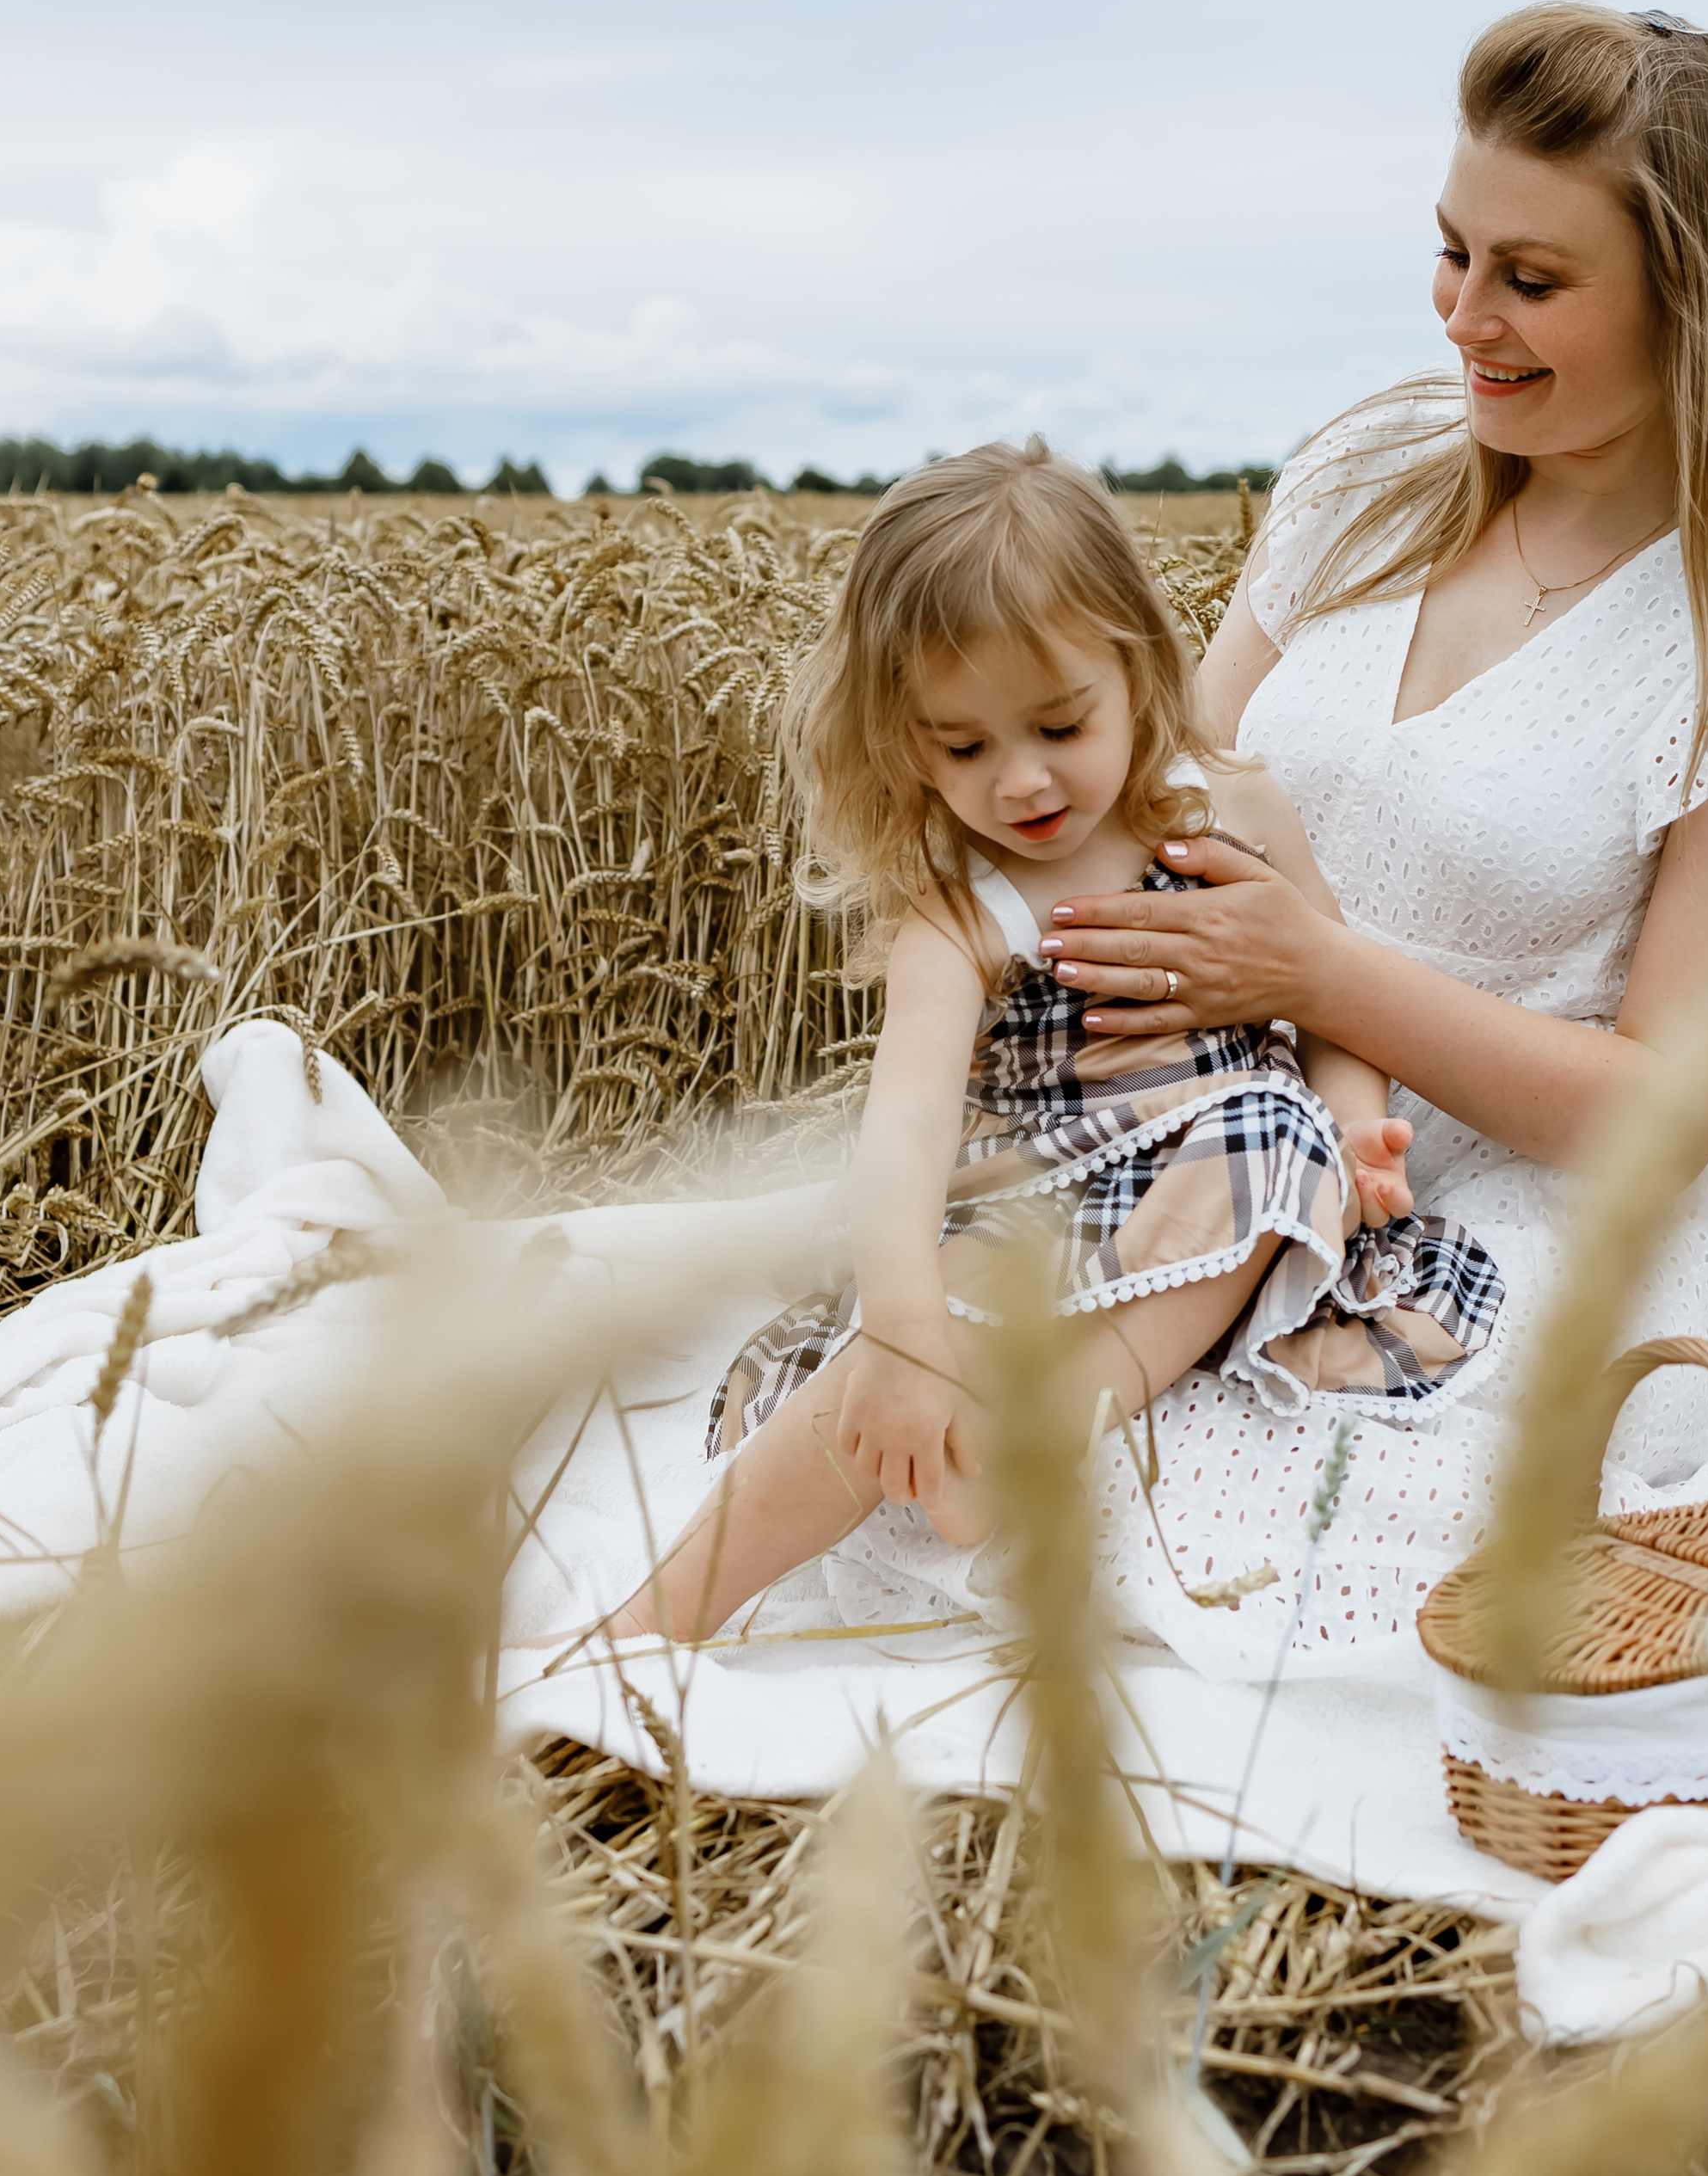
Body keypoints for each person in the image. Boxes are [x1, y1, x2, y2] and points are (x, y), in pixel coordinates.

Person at [1023, 1, 1708, 1671]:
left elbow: (1658, 1113)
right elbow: (1175, 779)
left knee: (1286, 1515)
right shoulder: (1372, 468)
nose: (1464, 318)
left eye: (1531, 279)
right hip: (1215, 1119)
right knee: (912, 1409)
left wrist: (1323, 977)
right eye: (1451, 253)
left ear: (1692, 298)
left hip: (1504, 1224)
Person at [608, 441, 1502, 1642]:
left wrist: (1361, 1136)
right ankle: (646, 1624)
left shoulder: (1228, 809)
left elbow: (1327, 1003)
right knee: (896, 1360)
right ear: (903, 737)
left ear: (1133, 668)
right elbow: (910, 1129)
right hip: (1032, 1199)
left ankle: (1034, 1441)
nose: (1021, 781)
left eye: (1058, 724)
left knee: (1279, 1128)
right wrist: (903, 1322)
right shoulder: (961, 904)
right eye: (962, 748)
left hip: (1216, 1203)